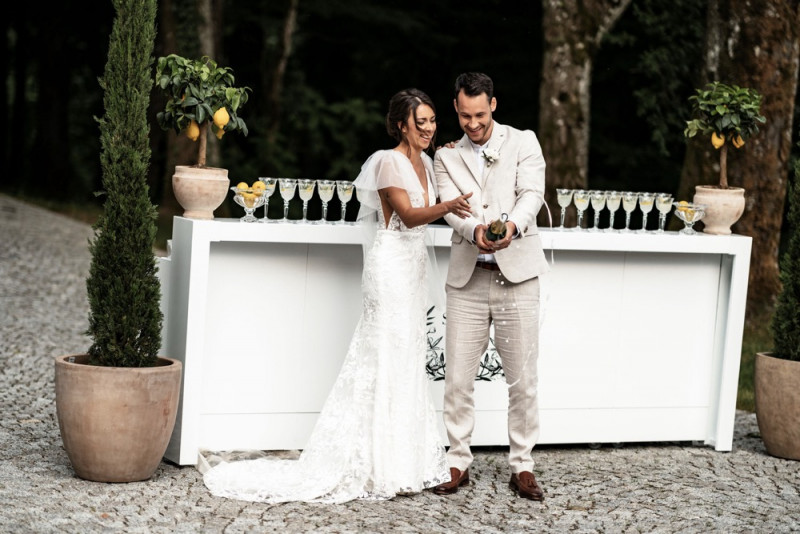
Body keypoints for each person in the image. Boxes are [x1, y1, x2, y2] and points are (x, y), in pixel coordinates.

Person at [202, 88, 473, 503]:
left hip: (413, 269)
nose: (429, 129)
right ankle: (377, 465)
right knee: (383, 355)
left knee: (406, 358)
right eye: (421, 123)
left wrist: (452, 155)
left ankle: (406, 461)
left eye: (433, 122)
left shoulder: (430, 162)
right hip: (390, 268)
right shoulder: (387, 162)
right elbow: (409, 215)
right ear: (402, 125)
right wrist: (448, 205)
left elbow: (435, 196)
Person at [432, 72, 549, 501]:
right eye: (464, 115)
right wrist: (474, 229)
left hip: (517, 277)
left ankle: (522, 464)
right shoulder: (445, 156)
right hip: (467, 280)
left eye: (480, 115)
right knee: (458, 378)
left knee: (523, 379)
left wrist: (512, 226)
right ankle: (457, 459)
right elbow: (450, 209)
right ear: (456, 109)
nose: (473, 123)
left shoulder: (524, 141)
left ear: (493, 106)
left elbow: (532, 193)